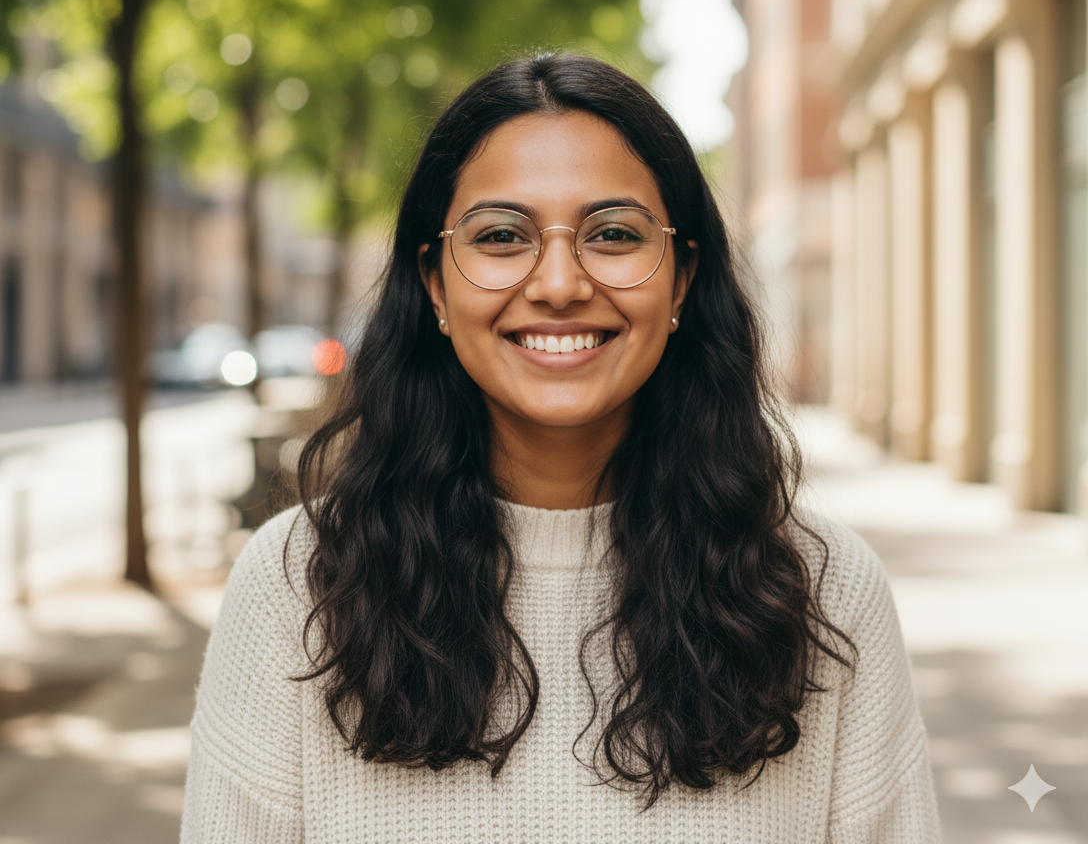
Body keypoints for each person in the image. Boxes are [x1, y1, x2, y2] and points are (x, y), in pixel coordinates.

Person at [180, 54, 941, 843]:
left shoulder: (824, 594)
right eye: (502, 236)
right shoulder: (295, 590)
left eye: (612, 234)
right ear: (435, 284)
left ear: (681, 280)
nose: (557, 282)